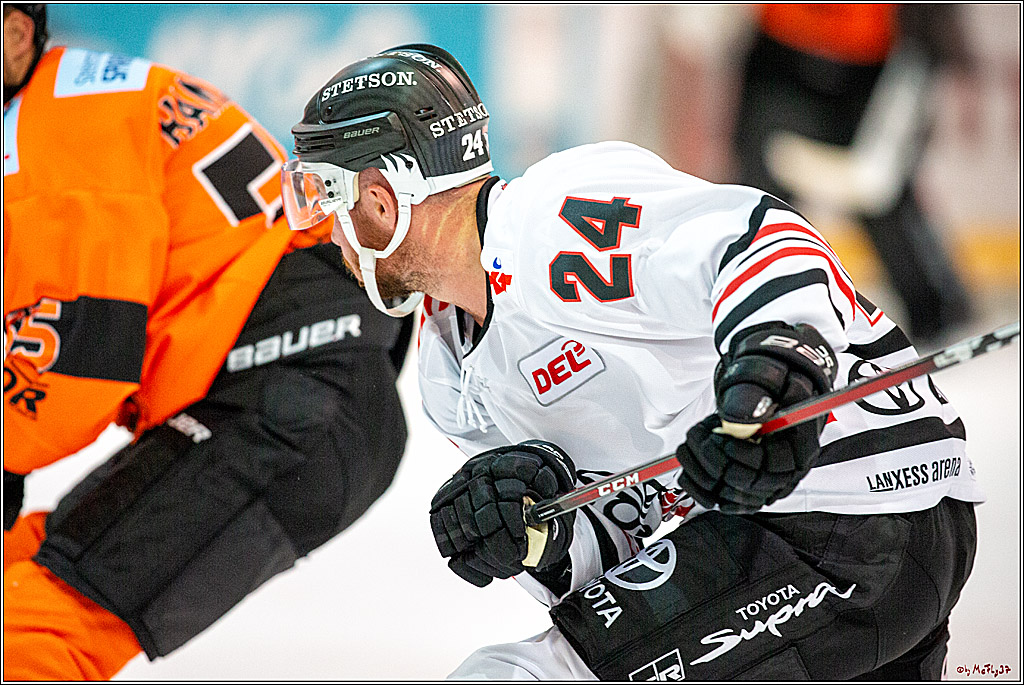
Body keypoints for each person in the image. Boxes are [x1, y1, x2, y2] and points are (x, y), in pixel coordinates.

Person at [282, 43, 981, 680]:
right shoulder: (448, 373)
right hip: (820, 533)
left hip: (854, 508)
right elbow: (615, 545)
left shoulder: (553, 225)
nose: (325, 227)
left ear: (378, 199)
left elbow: (764, 240)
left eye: (327, 194)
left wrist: (777, 372)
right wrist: (536, 537)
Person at [3, 5, 411, 679]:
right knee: (25, 570)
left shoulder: (52, 139)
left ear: (16, 35)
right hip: (294, 388)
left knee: (34, 627)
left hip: (283, 398)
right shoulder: (89, 92)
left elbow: (77, 363)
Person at [731, 4, 976, 349]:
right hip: (782, 55)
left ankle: (939, 317)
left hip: (880, 62)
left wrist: (930, 56)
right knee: (757, 195)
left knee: (883, 196)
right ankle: (750, 310)